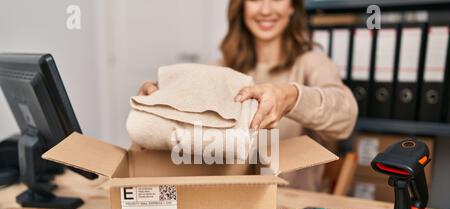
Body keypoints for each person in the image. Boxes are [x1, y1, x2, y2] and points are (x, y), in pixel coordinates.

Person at [137, 0, 358, 191]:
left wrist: (290, 97)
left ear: (292, 6)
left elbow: (346, 115)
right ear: (241, 6)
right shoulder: (220, 69)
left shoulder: (311, 62)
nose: (265, 9)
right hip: (226, 204)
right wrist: (156, 106)